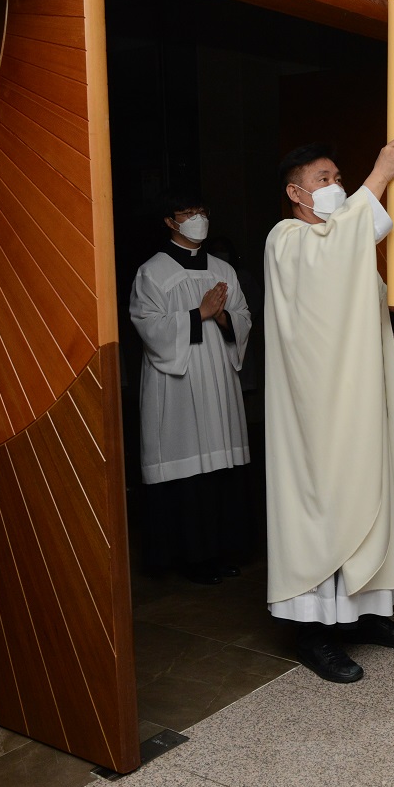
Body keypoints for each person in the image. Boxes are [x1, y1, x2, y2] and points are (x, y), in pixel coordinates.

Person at [263, 136, 394, 683]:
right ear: (295, 193)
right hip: (316, 409)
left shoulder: (342, 244)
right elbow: (328, 263)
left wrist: (393, 309)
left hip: (358, 399)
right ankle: (315, 634)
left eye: (338, 178)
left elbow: (366, 310)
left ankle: (368, 615)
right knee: (325, 502)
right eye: (323, 180)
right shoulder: (287, 240)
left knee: (369, 489)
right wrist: (380, 174)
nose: (335, 186)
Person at [129, 196, 253, 585]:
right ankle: (190, 557)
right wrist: (198, 314)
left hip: (217, 377)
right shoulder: (152, 272)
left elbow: (244, 317)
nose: (198, 219)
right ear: (170, 221)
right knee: (188, 471)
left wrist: (224, 316)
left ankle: (221, 550)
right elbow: (148, 326)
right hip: (177, 384)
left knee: (219, 468)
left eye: (203, 213)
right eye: (188, 214)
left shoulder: (222, 269)